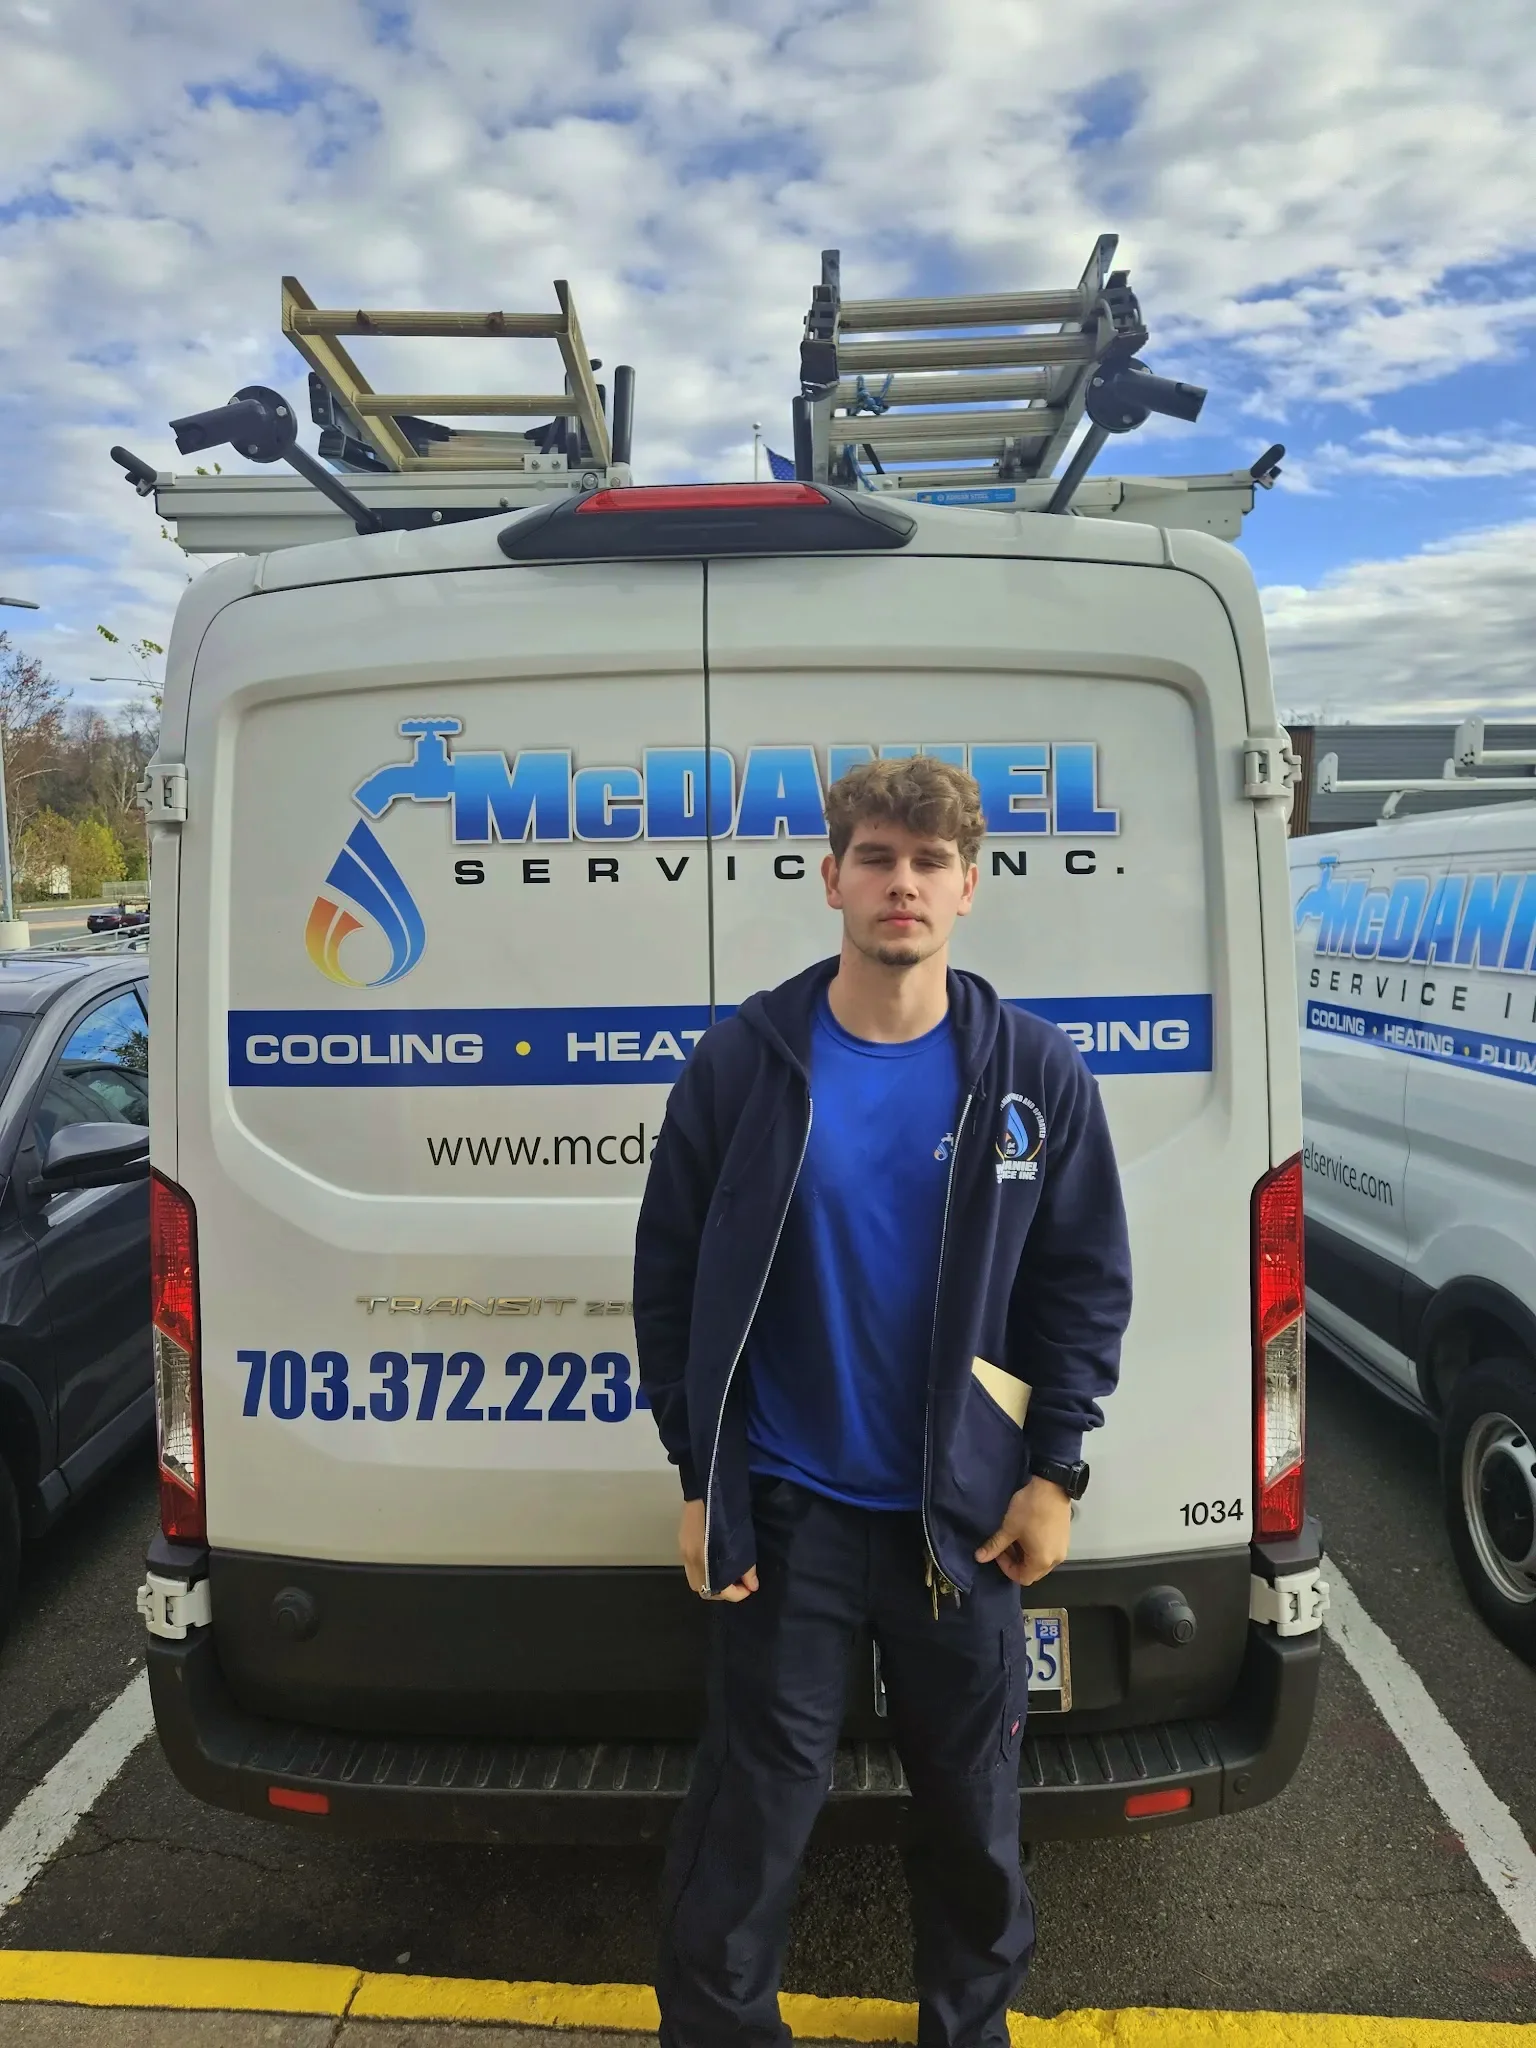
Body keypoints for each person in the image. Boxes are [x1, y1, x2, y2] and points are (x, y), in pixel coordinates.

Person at [633, 756, 1132, 2048]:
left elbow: (1082, 1288)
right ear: (832, 879)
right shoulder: (744, 1065)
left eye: (928, 861)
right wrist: (703, 1480)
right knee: (750, 1820)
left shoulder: (1032, 1075)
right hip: (788, 1516)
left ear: (969, 888)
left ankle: (968, 2031)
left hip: (961, 1522)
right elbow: (671, 1284)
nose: (900, 883)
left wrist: (1053, 1472)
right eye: (876, 858)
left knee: (975, 1818)